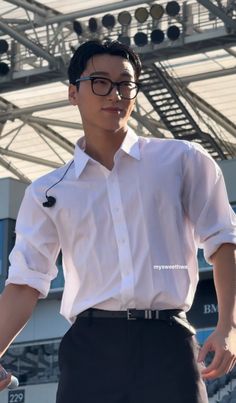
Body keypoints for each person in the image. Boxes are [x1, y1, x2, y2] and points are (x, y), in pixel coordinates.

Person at [0, 39, 236, 403]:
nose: (115, 94)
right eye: (100, 82)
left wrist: (228, 326)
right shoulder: (48, 191)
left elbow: (224, 242)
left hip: (168, 342)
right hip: (89, 350)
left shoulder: (183, 160)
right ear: (73, 93)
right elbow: (25, 283)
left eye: (125, 83)